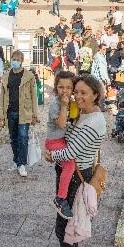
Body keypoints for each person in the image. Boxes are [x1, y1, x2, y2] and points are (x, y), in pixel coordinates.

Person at [42, 75, 106, 247]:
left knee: (66, 229)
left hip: (77, 178)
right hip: (73, 174)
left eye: (83, 93)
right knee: (69, 225)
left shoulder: (94, 121)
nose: (77, 96)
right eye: (76, 92)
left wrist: (51, 154)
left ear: (95, 95)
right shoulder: (85, 114)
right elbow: (67, 134)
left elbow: (71, 152)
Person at [0, 50, 39, 177]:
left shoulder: (29, 76)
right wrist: (1, 116)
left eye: (18, 59)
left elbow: (34, 96)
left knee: (23, 138)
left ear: (22, 60)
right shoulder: (6, 76)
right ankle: (16, 161)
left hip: (24, 112)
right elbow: (2, 96)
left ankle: (22, 164)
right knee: (13, 138)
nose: (15, 61)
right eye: (13, 59)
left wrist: (35, 115)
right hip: (10, 111)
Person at [45, 71, 78, 219]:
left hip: (62, 141)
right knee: (69, 165)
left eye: (68, 87)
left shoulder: (72, 103)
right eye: (60, 87)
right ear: (56, 88)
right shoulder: (55, 104)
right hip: (54, 142)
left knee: (68, 165)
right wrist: (64, 106)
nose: (64, 91)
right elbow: (61, 123)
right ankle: (60, 198)